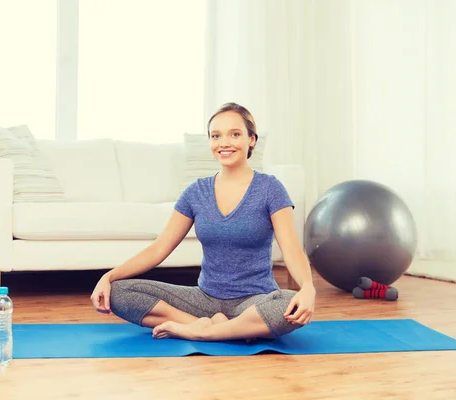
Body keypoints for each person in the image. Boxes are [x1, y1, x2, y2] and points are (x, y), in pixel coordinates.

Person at [90, 102, 316, 342]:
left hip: (254, 300)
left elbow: (291, 249)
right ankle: (222, 329)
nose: (224, 143)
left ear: (252, 140)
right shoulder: (195, 192)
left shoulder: (270, 188)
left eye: (235, 134)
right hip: (204, 300)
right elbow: (159, 248)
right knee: (119, 292)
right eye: (216, 136)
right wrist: (109, 276)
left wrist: (308, 289)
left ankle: (199, 331)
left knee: (286, 305)